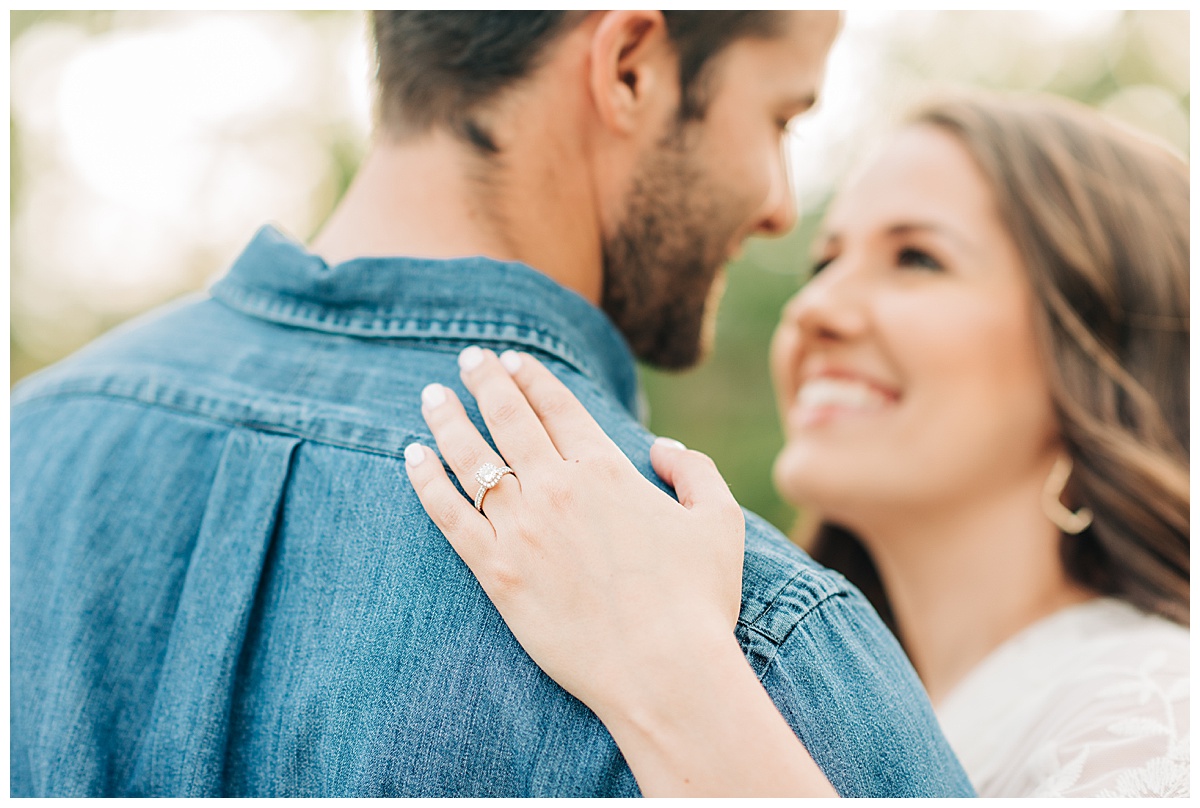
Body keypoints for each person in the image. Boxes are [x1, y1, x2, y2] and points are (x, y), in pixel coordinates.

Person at [9, 11, 973, 798]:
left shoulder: (28, 441)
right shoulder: (755, 646)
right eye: (781, 119)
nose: (777, 203)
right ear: (630, 65)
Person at [405, 91, 1190, 797]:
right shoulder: (817, 677)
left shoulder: (1154, 718)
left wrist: (668, 666)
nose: (815, 307)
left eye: (918, 258)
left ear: (1094, 358)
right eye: (825, 260)